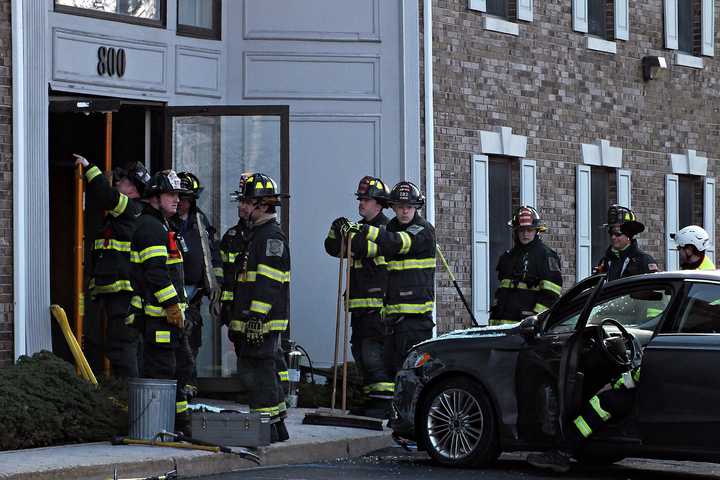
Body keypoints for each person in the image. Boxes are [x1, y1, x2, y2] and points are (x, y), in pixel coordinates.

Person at [344, 181, 436, 378]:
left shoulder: (423, 230)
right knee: (390, 371)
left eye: (409, 207)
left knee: (414, 373)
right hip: (391, 317)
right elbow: (374, 249)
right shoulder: (391, 228)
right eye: (400, 207)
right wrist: (346, 235)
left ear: (417, 207)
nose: (404, 211)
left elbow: (399, 243)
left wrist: (367, 231)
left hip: (416, 319)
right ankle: (388, 409)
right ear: (393, 207)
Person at [225, 173, 291, 442]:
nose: (241, 206)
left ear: (263, 205)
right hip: (252, 320)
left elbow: (269, 282)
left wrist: (256, 316)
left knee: (258, 376)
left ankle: (266, 429)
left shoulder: (270, 237)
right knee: (261, 374)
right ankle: (275, 428)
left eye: (247, 201)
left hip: (261, 322)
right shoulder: (255, 235)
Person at [128, 169, 194, 434]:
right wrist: (171, 306)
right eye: (170, 194)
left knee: (180, 369)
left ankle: (179, 424)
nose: (177, 199)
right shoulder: (150, 227)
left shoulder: (164, 226)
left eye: (178, 194)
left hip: (169, 318)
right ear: (154, 197)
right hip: (158, 318)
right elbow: (155, 272)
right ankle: (162, 425)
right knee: (163, 371)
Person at [74, 153, 149, 378]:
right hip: (115, 291)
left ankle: (129, 395)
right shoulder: (127, 213)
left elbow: (106, 196)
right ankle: (124, 392)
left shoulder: (131, 207)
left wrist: (89, 168)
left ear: (134, 188)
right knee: (117, 345)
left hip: (123, 292)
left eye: (123, 182)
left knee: (122, 346)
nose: (118, 184)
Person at [325, 176, 393, 417]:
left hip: (377, 306)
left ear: (379, 203)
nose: (361, 204)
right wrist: (336, 229)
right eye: (360, 199)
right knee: (359, 352)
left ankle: (385, 402)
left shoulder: (387, 230)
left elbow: (364, 248)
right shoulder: (358, 229)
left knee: (372, 354)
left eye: (366, 199)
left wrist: (352, 234)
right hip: (358, 304)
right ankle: (372, 398)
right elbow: (333, 249)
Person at [174, 172, 221, 395]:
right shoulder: (165, 221)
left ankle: (189, 386)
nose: (180, 202)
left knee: (192, 339)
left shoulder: (200, 222)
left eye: (185, 198)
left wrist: (215, 285)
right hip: (171, 293)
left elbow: (212, 255)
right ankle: (175, 386)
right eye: (178, 197)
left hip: (193, 294)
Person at [488, 206, 563, 326]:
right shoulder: (508, 257)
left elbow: (551, 295)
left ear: (537, 231)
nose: (525, 234)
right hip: (501, 328)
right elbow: (502, 292)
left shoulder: (546, 256)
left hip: (526, 330)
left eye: (529, 230)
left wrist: (535, 319)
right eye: (521, 230)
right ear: (516, 232)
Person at [595, 205, 658, 281]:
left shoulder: (644, 260)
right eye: (611, 233)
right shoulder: (604, 262)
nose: (613, 237)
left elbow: (653, 289)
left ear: (629, 235)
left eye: (618, 233)